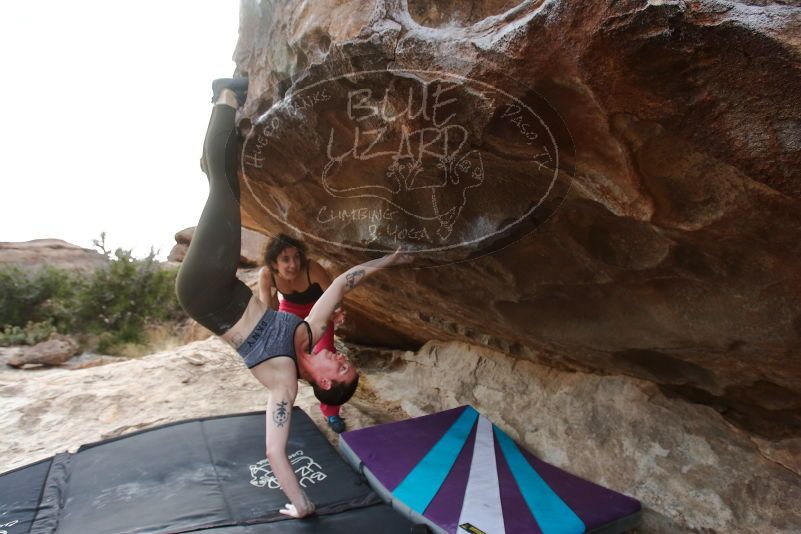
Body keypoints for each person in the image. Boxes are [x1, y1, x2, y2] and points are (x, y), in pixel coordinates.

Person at [175, 78, 411, 519]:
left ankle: (224, 96)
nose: (339, 358)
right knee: (226, 185)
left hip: (204, 291)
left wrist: (302, 506)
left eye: (340, 367)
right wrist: (390, 260)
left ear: (323, 383)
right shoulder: (310, 331)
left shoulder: (282, 383)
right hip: (223, 283)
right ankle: (225, 111)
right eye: (345, 360)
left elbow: (274, 452)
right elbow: (341, 283)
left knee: (222, 190)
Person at [258, 234, 349, 434]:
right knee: (282, 358)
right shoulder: (267, 275)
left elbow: (332, 294)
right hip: (289, 310)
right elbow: (267, 312)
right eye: (285, 259)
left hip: (319, 311)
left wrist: (335, 312)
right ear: (274, 263)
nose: (294, 264)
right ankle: (281, 408)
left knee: (326, 352)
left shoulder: (312, 268)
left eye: (296, 257)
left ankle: (331, 412)